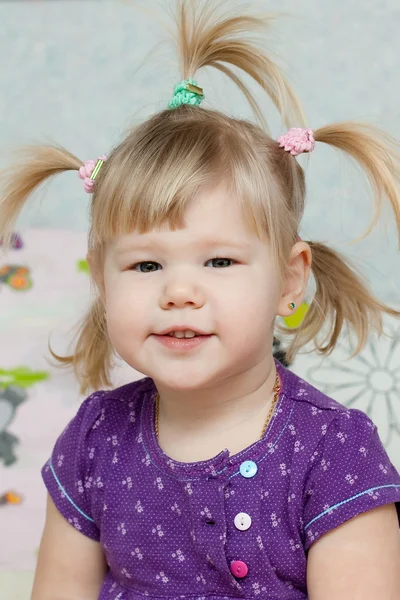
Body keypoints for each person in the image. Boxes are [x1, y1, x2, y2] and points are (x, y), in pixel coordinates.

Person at [1, 2, 400, 599]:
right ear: (102, 282)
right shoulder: (93, 439)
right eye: (145, 264)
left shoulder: (333, 452)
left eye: (219, 262)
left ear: (290, 280)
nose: (179, 292)